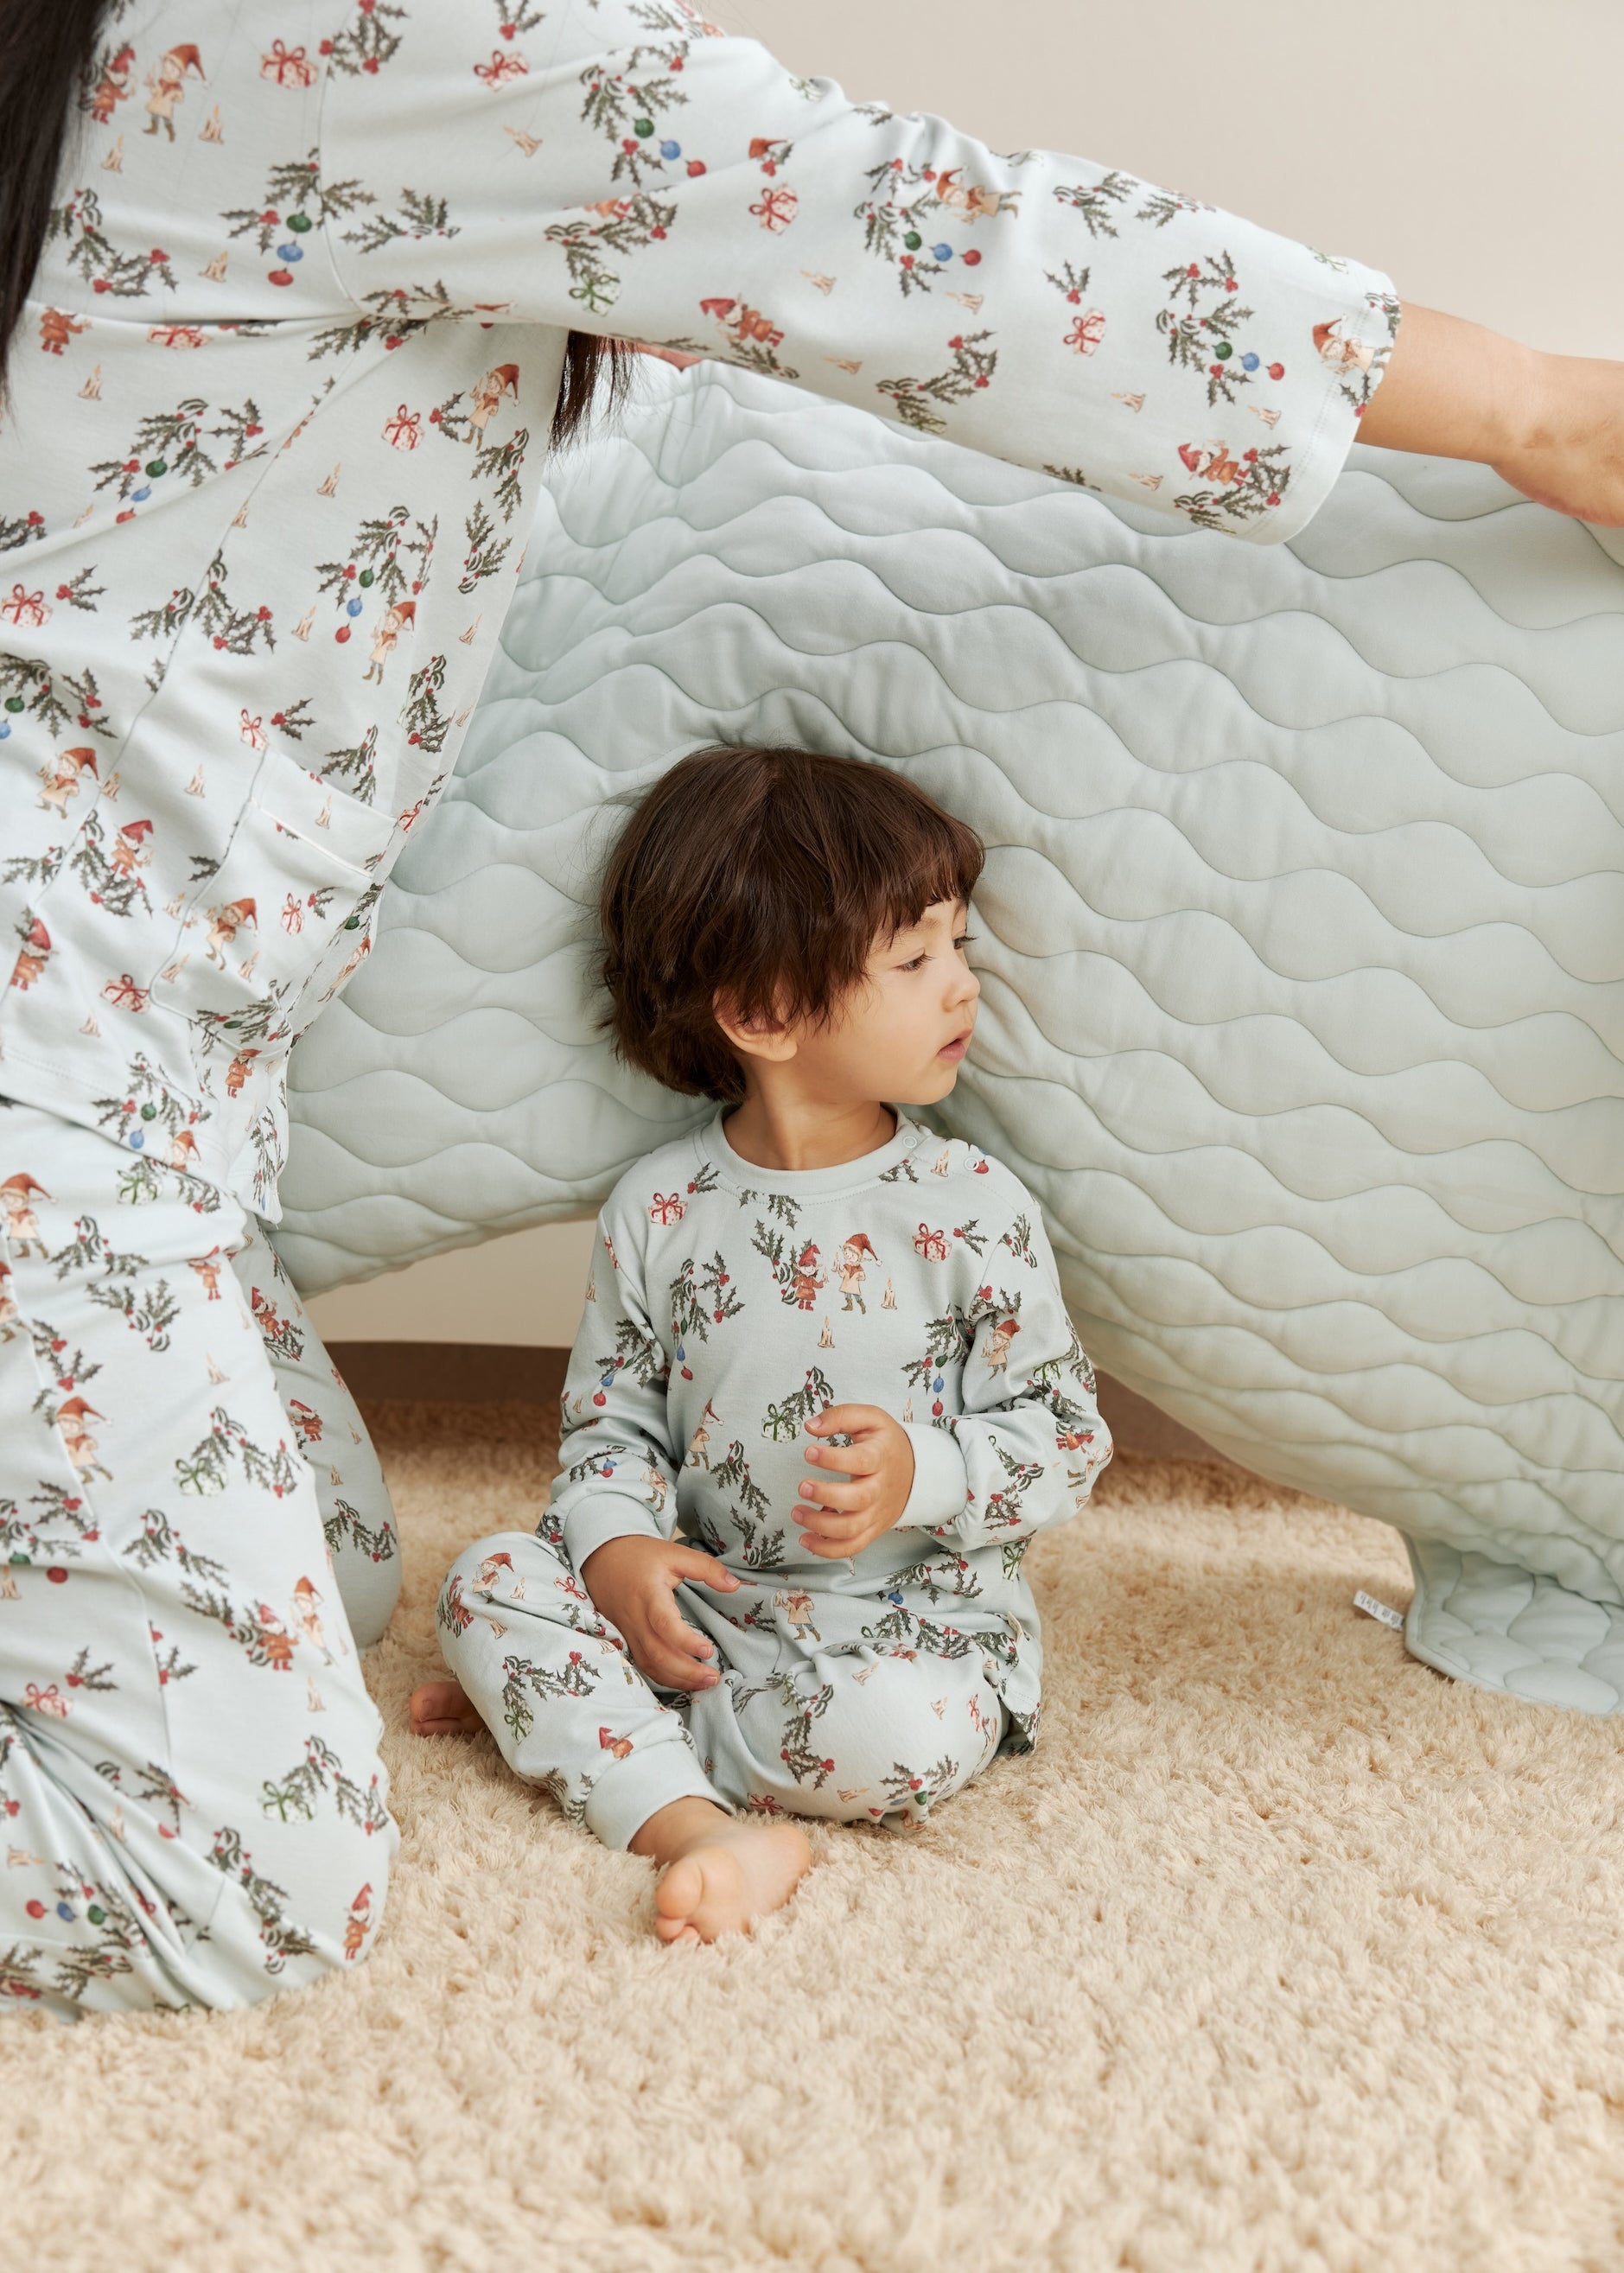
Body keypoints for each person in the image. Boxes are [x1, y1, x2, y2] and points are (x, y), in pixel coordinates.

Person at [0, 0, 1618, 2016]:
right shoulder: (333, 29)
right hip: (46, 1058)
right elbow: (932, 242)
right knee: (222, 1881)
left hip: (146, 1077)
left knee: (326, 1583)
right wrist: (1547, 410)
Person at [411, 745, 1114, 1943]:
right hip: (706, 1603)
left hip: (904, 1628)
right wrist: (621, 1551)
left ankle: (607, 1742)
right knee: (483, 1581)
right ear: (764, 1013)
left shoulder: (972, 1206)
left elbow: (1067, 1436)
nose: (962, 988)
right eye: (914, 957)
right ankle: (691, 1801)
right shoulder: (660, 1208)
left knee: (898, 1746)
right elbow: (613, 1424)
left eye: (961, 947)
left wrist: (921, 1472)